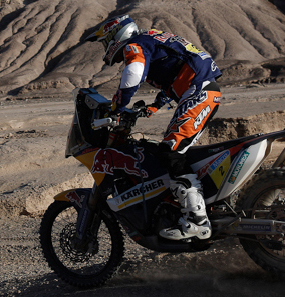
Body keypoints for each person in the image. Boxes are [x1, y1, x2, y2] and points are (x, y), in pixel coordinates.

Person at [86, 14, 222, 241]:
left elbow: (133, 76)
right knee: (174, 151)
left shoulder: (135, 46)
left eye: (105, 41)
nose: (105, 47)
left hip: (199, 92)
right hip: (198, 89)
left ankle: (197, 221)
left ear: (115, 36)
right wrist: (153, 107)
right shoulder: (150, 40)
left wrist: (116, 106)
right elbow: (174, 72)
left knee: (171, 152)